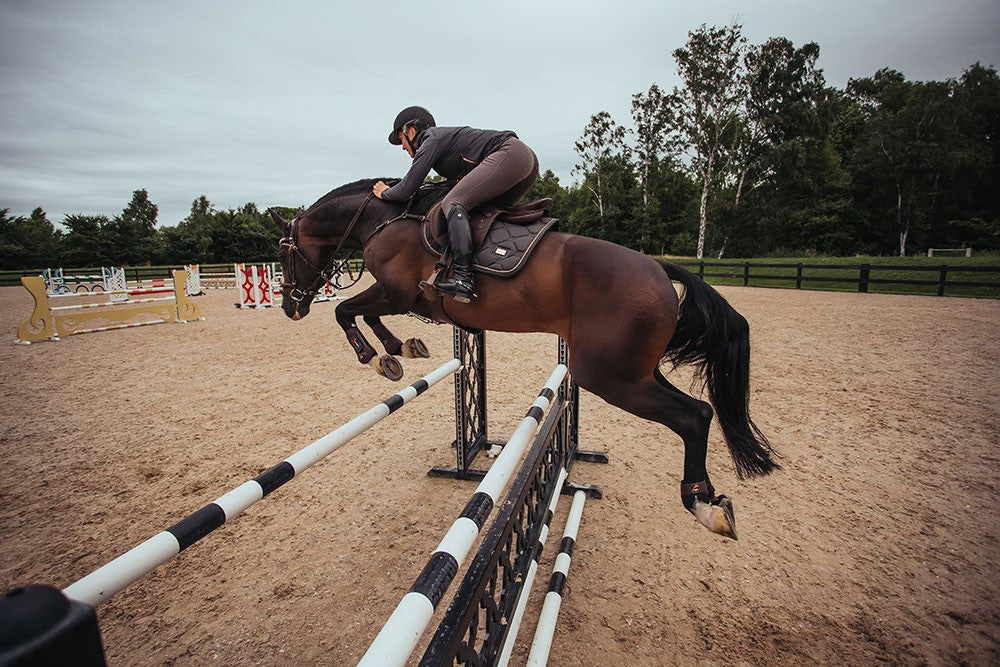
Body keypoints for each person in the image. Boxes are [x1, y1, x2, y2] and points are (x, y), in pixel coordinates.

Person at [373, 106, 539, 303]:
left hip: (511, 154)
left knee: (454, 202)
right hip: (523, 160)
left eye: (401, 139)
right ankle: (491, 269)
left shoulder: (431, 139)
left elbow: (406, 189)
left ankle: (463, 278)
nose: (402, 146)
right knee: (477, 211)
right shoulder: (442, 142)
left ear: (411, 131)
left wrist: (384, 192)